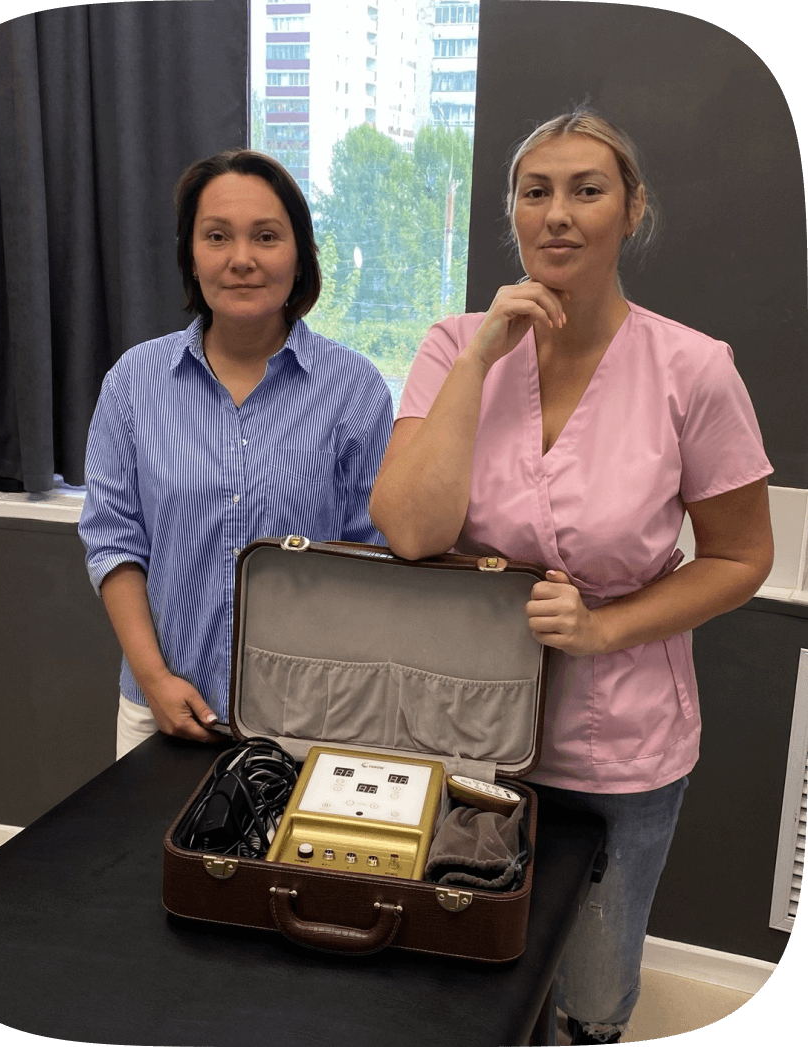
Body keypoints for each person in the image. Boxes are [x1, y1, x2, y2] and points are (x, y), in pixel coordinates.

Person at [369, 109, 773, 1045]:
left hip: (614, 744)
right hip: (464, 733)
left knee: (586, 995)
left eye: (586, 190)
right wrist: (482, 356)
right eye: (534, 191)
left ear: (630, 210)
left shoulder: (692, 369)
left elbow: (740, 557)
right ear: (511, 212)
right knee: (459, 968)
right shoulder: (453, 345)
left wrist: (601, 626)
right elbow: (411, 531)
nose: (556, 213)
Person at [79, 149, 393, 760]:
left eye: (266, 236)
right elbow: (113, 540)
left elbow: (373, 555)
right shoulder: (134, 382)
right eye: (217, 236)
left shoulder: (355, 390)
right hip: (161, 707)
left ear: (300, 256)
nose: (241, 258)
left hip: (309, 719)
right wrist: (154, 679)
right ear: (191, 256)